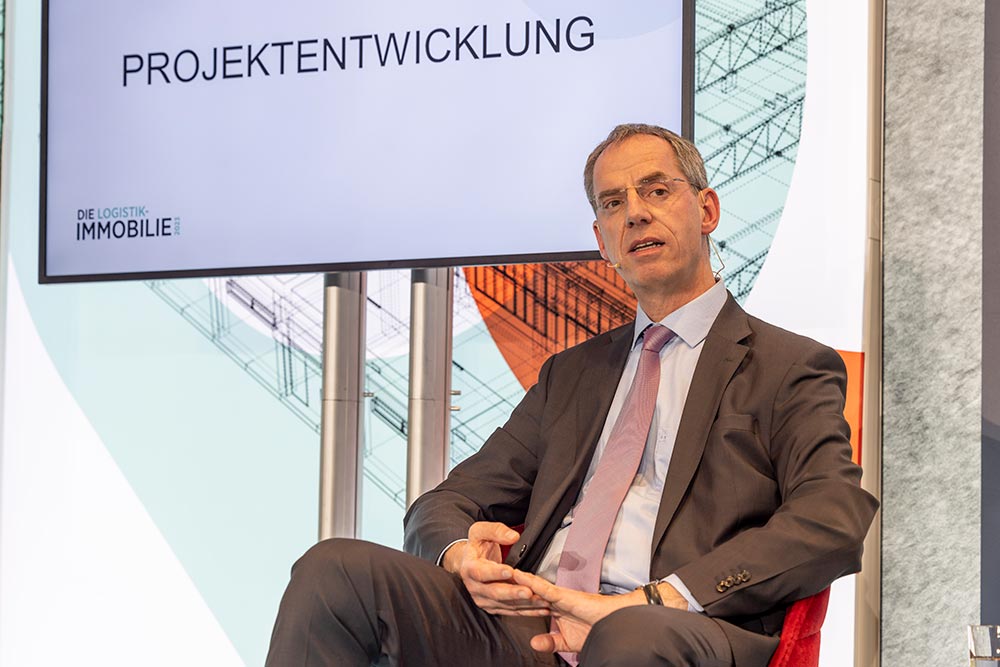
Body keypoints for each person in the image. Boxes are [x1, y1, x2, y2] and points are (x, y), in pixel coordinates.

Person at [265, 124, 879, 667]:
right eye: (613, 203)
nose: (635, 214)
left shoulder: (788, 366)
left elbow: (833, 518)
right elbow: (446, 502)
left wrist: (654, 600)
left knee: (630, 637)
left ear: (707, 210)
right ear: (602, 240)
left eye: (656, 191)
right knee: (335, 570)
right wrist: (459, 556)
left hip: (670, 628)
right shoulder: (572, 374)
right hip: (531, 628)